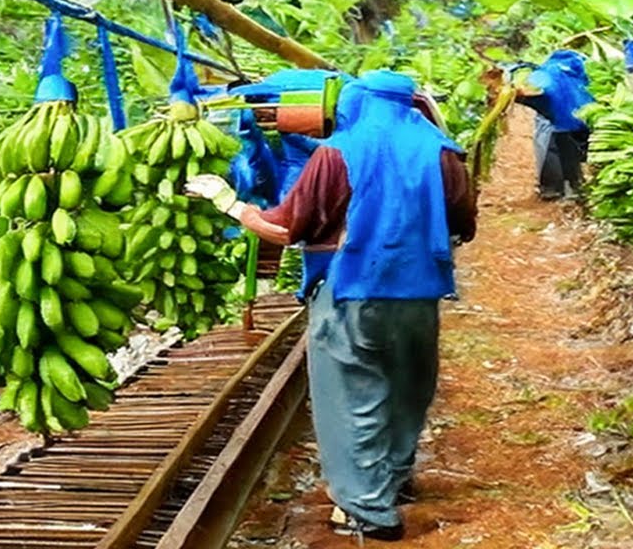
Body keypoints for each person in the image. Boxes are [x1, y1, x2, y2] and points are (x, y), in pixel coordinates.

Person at [186, 70, 477, 541]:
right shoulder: (443, 152)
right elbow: (464, 223)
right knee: (407, 389)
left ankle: (368, 509)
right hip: (420, 297)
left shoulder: (338, 153)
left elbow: (286, 228)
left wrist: (230, 204)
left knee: (351, 397)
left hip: (354, 295)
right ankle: (395, 479)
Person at [514, 50, 595, 200]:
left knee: (551, 147)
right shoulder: (583, 70)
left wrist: (515, 95)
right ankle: (576, 186)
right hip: (584, 118)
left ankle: (553, 189)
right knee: (574, 153)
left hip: (558, 121)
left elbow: (531, 91)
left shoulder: (545, 73)